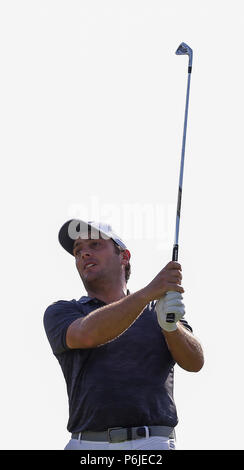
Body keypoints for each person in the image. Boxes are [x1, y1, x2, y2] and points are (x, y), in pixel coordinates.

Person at [44, 219, 204, 450]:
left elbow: (195, 362)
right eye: (78, 251)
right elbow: (87, 334)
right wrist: (149, 292)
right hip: (88, 445)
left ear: (124, 257)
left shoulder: (158, 312)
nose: (84, 254)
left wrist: (171, 327)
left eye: (95, 245)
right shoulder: (63, 312)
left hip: (153, 443)